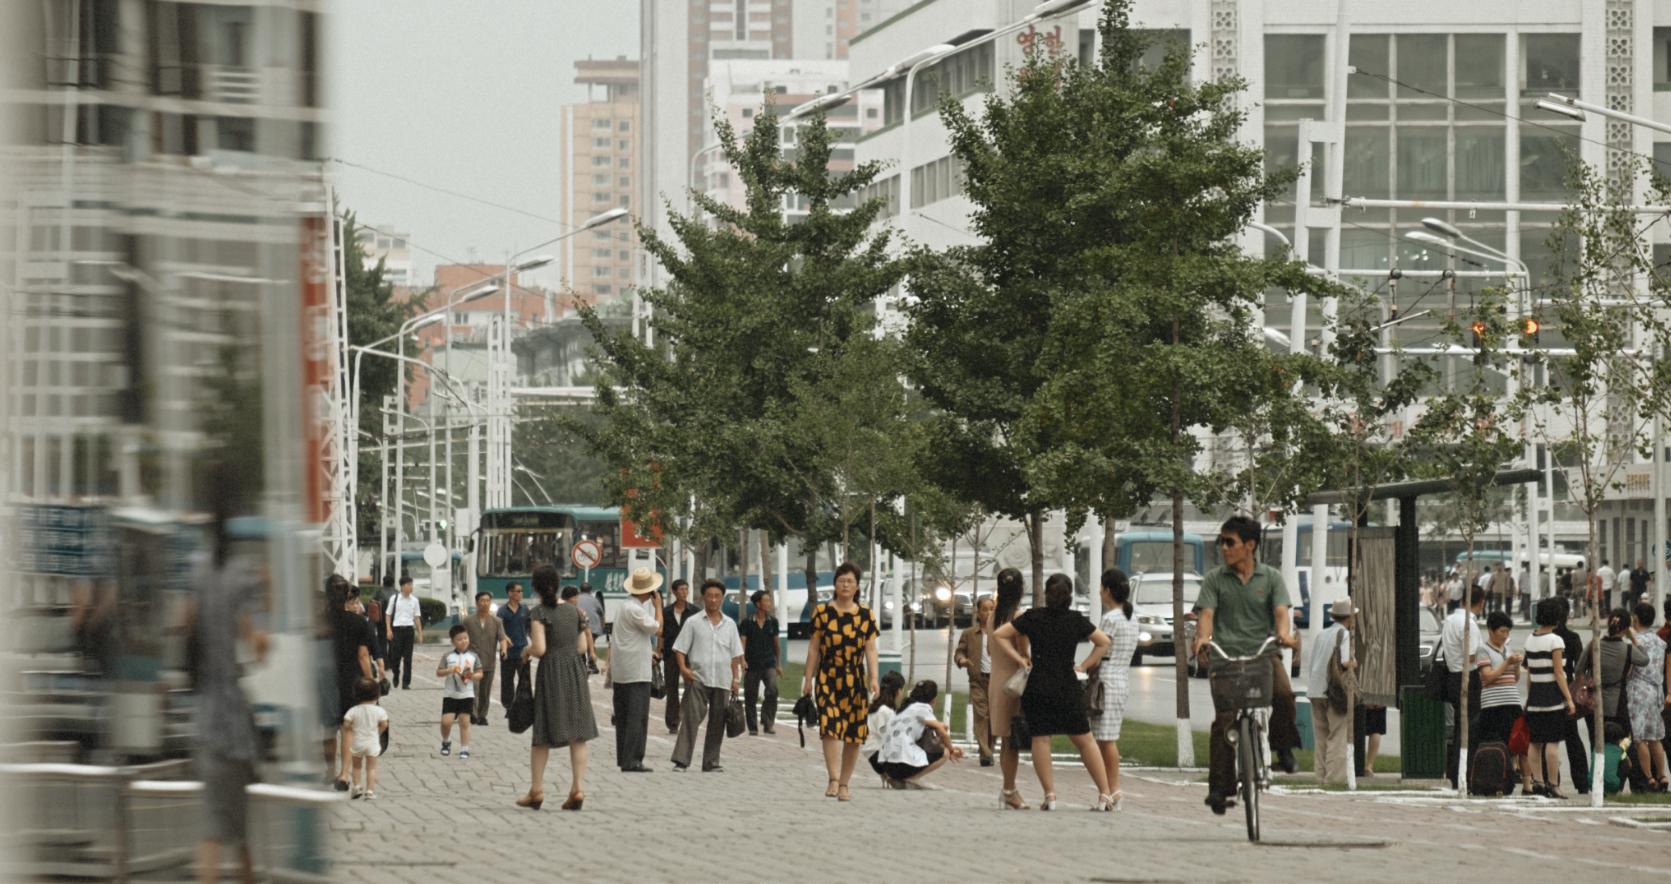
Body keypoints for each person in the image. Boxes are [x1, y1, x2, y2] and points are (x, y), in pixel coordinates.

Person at [1191, 516, 1302, 816]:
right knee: (1224, 722)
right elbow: (1207, 614)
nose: (1224, 548)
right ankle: (1219, 788)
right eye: (1221, 542)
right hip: (1225, 657)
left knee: (1282, 694)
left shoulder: (1271, 578)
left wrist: (1283, 634)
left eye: (1230, 542)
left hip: (1262, 655)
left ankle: (1283, 748)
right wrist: (1203, 639)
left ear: (1250, 545)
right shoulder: (1215, 579)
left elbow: (1281, 612)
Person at [188, 491, 268, 884]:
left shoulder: (198, 569)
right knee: (234, 831)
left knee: (216, 826)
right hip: (234, 722)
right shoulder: (240, 574)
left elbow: (184, 627)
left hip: (205, 716)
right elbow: (257, 646)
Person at [994, 573, 1114, 811]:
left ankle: (1050, 796)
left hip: (1038, 684)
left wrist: (1020, 658)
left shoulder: (1033, 617)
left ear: (1047, 595)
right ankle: (1104, 795)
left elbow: (1000, 635)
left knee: (1041, 738)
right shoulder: (1075, 620)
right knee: (1085, 739)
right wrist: (1085, 665)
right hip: (1066, 684)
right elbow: (1103, 642)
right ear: (1069, 596)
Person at [519, 563, 597, 811]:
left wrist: (525, 651)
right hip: (574, 670)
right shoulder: (575, 612)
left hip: (551, 672)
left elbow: (540, 649)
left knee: (542, 733)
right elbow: (583, 648)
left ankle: (537, 790)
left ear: (536, 587)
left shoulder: (539, 612)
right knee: (579, 733)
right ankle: (577, 788)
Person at [801, 562, 879, 802]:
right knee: (830, 727)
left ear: (857, 587)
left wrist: (874, 678)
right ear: (835, 584)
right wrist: (808, 678)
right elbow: (814, 648)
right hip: (828, 676)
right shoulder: (822, 613)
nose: (845, 585)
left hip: (854, 678)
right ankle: (833, 778)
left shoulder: (866, 615)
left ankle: (845, 783)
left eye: (850, 582)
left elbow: (871, 650)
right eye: (841, 580)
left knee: (854, 734)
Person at [671, 579, 744, 772]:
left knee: (718, 722)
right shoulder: (693, 622)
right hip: (698, 678)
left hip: (722, 680)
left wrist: (735, 679)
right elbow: (679, 649)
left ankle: (711, 762)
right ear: (703, 598)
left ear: (722, 598)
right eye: (709, 596)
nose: (713, 600)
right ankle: (681, 761)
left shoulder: (730, 625)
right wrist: (684, 670)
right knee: (691, 719)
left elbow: (735, 654)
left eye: (717, 596)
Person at [1092, 570, 1139, 808]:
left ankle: (1114, 790)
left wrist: (1084, 665)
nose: (1100, 592)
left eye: (1101, 588)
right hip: (1121, 679)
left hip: (1108, 679)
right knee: (1105, 738)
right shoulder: (1131, 617)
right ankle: (1110, 790)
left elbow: (1102, 648)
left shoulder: (1111, 618)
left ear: (1108, 590)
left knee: (1106, 739)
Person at [1521, 598, 1576, 798]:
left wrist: (1529, 697)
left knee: (1534, 743)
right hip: (1552, 698)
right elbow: (1559, 673)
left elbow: (1529, 673)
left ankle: (1538, 781)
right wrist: (1569, 699)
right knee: (1552, 743)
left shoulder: (1530, 639)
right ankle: (1553, 784)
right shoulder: (1555, 641)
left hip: (1535, 698)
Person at [610, 567, 663, 773]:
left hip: (622, 670)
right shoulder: (637, 610)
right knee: (637, 717)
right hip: (636, 672)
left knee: (623, 717)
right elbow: (658, 628)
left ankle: (624, 757)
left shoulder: (624, 606)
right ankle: (633, 759)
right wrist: (658, 606)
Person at [326, 576, 374, 792]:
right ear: (348, 596)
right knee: (348, 728)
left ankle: (328, 770)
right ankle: (344, 774)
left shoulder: (319, 621)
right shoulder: (358, 622)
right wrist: (371, 682)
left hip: (325, 678)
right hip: (351, 679)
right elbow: (363, 656)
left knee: (327, 728)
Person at [987, 568, 1030, 809]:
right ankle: (1009, 789)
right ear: (1021, 589)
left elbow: (989, 650)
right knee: (1013, 740)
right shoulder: (1018, 617)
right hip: (1015, 683)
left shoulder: (993, 616)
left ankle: (1008, 787)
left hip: (996, 680)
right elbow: (1024, 652)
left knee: (1005, 738)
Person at [872, 680, 964, 788]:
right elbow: (943, 732)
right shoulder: (923, 708)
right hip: (901, 763)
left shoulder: (905, 708)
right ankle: (910, 779)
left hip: (885, 765)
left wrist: (940, 728)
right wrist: (952, 750)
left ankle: (896, 778)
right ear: (933, 700)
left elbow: (936, 729)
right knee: (945, 753)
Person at [1307, 598, 1357, 785]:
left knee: (1320, 737)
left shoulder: (1321, 635)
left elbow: (1313, 663)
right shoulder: (1344, 635)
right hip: (1333, 692)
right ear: (1348, 618)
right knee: (1337, 734)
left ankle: (1320, 775)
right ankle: (1334, 778)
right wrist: (1355, 662)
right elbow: (1345, 662)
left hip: (1315, 690)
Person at [1441, 585, 1486, 788]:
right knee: (1470, 727)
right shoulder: (1470, 624)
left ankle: (1454, 771)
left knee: (1460, 725)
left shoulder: (1450, 620)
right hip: (1467, 675)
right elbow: (1471, 655)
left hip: (1452, 674)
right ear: (1481, 603)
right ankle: (1465, 772)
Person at [1474, 611, 1524, 792]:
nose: (1505, 635)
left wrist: (1516, 664)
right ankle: (1495, 780)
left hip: (1512, 702)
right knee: (1497, 743)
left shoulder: (1508, 649)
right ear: (1491, 631)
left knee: (1517, 744)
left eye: (1507, 632)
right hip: (1493, 705)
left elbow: (1514, 679)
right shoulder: (1483, 650)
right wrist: (1506, 663)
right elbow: (1487, 677)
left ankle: (1517, 780)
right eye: (1502, 631)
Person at [1625, 602, 1668, 791]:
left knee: (1640, 737)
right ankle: (1662, 774)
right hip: (1656, 690)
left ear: (1636, 618)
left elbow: (1630, 667)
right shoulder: (1660, 641)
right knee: (1656, 737)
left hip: (1638, 690)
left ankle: (1648, 777)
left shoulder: (1635, 641)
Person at [954, 596, 996, 766]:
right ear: (978, 612)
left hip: (996, 681)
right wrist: (961, 660)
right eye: (984, 609)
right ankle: (986, 752)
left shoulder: (1000, 632)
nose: (988, 613)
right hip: (977, 681)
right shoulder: (970, 634)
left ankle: (987, 750)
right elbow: (959, 652)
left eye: (991, 609)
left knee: (993, 718)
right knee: (981, 715)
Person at [1554, 598, 1591, 793]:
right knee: (1572, 738)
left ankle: (1551, 780)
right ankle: (1582, 782)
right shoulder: (1573, 638)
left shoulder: (1543, 636)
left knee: (1548, 740)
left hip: (1548, 691)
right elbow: (1581, 668)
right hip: (1567, 691)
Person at [463, 591, 508, 726]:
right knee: (472, 688)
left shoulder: (497, 621)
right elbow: (462, 638)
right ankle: (473, 713)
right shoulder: (468, 621)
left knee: (485, 690)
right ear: (477, 603)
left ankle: (483, 715)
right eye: (482, 601)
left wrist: (504, 650)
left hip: (489, 660)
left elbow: (502, 638)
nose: (485, 603)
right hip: (471, 661)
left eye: (488, 601)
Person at [739, 590, 780, 735]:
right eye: (766, 601)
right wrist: (742, 660)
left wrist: (778, 664)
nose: (769, 604)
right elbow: (742, 643)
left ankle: (768, 722)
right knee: (750, 695)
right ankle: (753, 727)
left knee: (772, 690)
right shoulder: (747, 622)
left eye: (769, 601)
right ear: (758, 604)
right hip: (752, 664)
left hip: (769, 663)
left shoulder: (773, 622)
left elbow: (776, 644)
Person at [437, 624, 481, 759]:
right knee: (446, 722)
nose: (464, 641)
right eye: (460, 639)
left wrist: (471, 676)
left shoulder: (473, 656)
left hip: (467, 694)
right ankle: (446, 741)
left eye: (466, 638)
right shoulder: (448, 656)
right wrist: (450, 670)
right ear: (453, 642)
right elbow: (438, 672)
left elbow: (480, 673)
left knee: (464, 722)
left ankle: (464, 748)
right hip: (450, 694)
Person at [661, 579, 699, 734]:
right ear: (674, 592)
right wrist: (659, 651)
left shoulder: (694, 611)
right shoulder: (666, 612)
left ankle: (682, 714)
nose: (684, 592)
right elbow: (662, 634)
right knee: (672, 689)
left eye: (686, 589)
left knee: (691, 686)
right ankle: (673, 723)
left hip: (689, 655)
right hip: (670, 654)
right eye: (681, 589)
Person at [341, 678, 388, 800]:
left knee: (356, 767)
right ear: (377, 695)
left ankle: (356, 787)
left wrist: (353, 728)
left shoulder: (353, 710)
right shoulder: (379, 710)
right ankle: (370, 791)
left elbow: (346, 725)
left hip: (357, 742)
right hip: (372, 742)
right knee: (371, 768)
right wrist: (377, 732)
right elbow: (384, 724)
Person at [863, 671, 906, 782]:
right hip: (879, 756)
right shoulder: (886, 711)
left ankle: (889, 775)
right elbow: (890, 737)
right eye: (902, 689)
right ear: (897, 691)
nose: (902, 693)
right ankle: (902, 777)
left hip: (872, 755)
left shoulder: (875, 702)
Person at [497, 582, 532, 713]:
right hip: (507, 652)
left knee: (524, 681)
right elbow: (499, 630)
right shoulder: (502, 611)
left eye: (521, 591)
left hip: (522, 651)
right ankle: (508, 707)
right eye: (518, 591)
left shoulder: (525, 610)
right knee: (507, 682)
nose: (520, 593)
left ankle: (521, 706)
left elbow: (530, 629)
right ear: (510, 593)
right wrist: (505, 639)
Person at [385, 576, 423, 690]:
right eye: (408, 584)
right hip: (397, 630)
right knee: (395, 657)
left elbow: (417, 618)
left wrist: (420, 634)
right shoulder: (394, 598)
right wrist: (388, 630)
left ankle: (406, 682)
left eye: (411, 584)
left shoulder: (415, 600)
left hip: (409, 631)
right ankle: (396, 674)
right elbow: (388, 614)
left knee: (408, 658)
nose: (411, 587)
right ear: (402, 586)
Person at [576, 582, 607, 669]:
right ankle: (592, 663)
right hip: (594, 628)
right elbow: (602, 614)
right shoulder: (595, 600)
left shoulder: (576, 599)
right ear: (590, 591)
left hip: (580, 628)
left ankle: (585, 664)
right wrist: (602, 627)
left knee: (583, 644)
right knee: (591, 644)